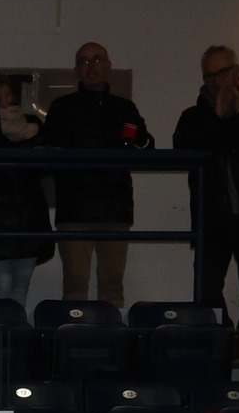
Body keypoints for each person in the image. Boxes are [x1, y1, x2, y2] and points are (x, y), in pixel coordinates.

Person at [41, 42, 155, 311]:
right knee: (75, 287)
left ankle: (111, 348)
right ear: (76, 70)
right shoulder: (62, 108)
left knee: (112, 287)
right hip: (74, 209)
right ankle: (75, 345)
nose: (91, 66)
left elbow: (147, 147)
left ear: (108, 65)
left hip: (115, 208)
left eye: (97, 59)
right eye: (84, 61)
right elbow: (48, 153)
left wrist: (139, 137)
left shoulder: (125, 108)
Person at [175, 45, 239, 365]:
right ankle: (224, 335)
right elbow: (184, 150)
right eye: (209, 75)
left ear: (237, 70)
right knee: (207, 284)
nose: (216, 80)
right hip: (211, 217)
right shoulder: (193, 116)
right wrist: (218, 117)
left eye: (222, 72)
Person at [0, 71, 53, 308]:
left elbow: (45, 167)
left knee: (19, 289)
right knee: (0, 285)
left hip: (30, 217)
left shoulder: (33, 126)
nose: (4, 102)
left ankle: (13, 341)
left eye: (6, 95)